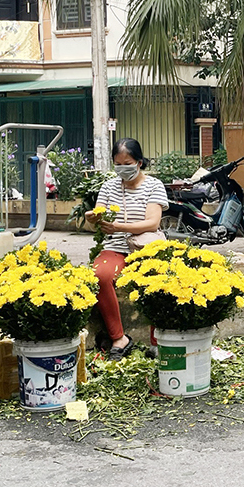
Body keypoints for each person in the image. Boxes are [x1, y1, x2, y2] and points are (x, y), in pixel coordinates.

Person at [85, 138, 169, 361]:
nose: (123, 168)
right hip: (115, 247)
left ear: (139, 162)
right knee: (99, 275)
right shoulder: (109, 186)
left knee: (156, 278)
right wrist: (91, 218)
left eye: (128, 163)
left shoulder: (154, 186)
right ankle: (119, 338)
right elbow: (99, 216)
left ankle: (158, 342)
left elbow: (152, 222)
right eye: (118, 164)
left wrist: (119, 226)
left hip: (145, 249)